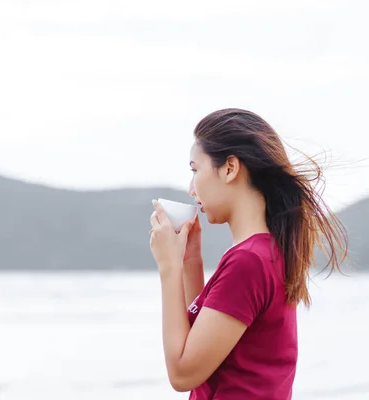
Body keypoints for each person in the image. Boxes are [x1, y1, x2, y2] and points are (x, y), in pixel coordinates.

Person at [148, 108, 348, 399]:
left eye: (195, 170)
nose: (191, 188)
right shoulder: (264, 252)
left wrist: (168, 270)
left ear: (229, 168)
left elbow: (183, 374)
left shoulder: (248, 261)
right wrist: (190, 262)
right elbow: (198, 344)